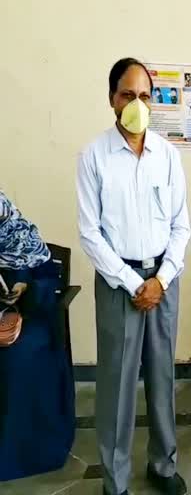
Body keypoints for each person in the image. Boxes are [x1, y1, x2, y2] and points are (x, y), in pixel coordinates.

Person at [77, 58, 191, 495]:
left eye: (145, 95)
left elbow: (182, 226)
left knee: (162, 377)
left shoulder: (169, 156)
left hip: (164, 283)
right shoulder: (94, 157)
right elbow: (90, 234)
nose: (137, 104)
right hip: (117, 285)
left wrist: (160, 280)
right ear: (112, 100)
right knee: (117, 387)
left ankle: (163, 465)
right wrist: (132, 283)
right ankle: (115, 481)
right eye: (128, 95)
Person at [0, 192, 75, 481]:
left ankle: (22, 453)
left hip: (27, 317)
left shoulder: (22, 237)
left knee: (21, 357)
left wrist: (22, 286)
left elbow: (46, 280)